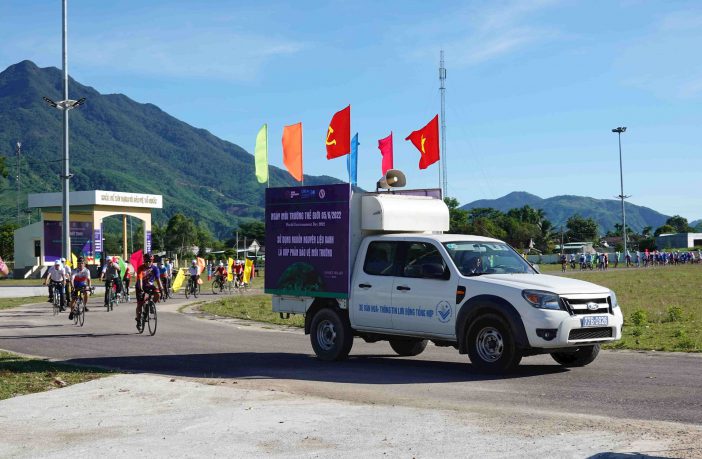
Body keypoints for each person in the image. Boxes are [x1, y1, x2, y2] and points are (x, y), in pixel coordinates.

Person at [135, 253, 163, 328]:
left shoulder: (155, 268)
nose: (148, 263)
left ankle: (151, 306)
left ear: (152, 261)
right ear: (144, 261)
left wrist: (161, 289)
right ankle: (138, 320)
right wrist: (141, 290)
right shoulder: (140, 268)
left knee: (158, 294)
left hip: (149, 285)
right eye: (146, 261)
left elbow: (158, 280)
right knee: (140, 304)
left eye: (149, 261)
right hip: (140, 286)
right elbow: (140, 280)